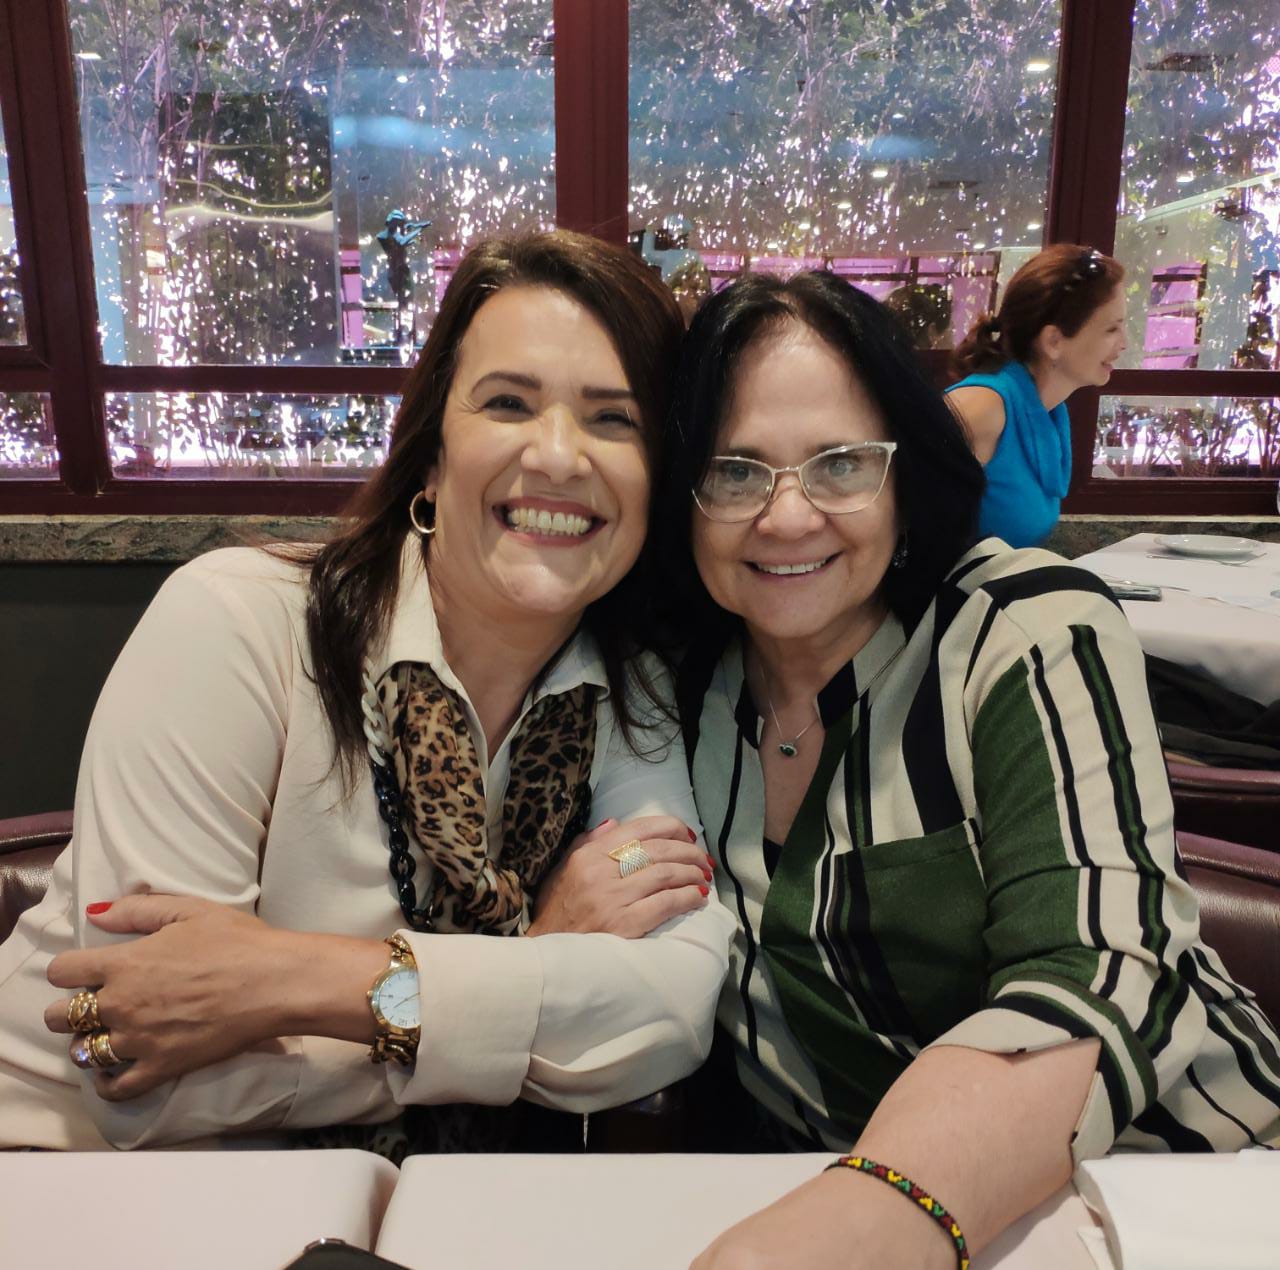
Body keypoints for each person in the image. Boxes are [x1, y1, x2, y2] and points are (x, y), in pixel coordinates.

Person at [0, 230, 734, 1151]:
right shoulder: (238, 624)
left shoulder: (631, 697)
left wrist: (296, 981)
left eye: (613, 419)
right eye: (508, 403)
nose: (557, 455)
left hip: (381, 1200)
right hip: (54, 1170)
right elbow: (151, 1077)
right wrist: (536, 968)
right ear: (431, 456)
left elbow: (673, 1011)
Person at [651, 270, 1280, 1268]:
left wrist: (861, 1220)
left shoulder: (1022, 629)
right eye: (735, 472)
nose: (786, 515)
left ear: (905, 476)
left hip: (1177, 1188)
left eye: (840, 464)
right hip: (840, 1209)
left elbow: (1096, 970)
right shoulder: (672, 693)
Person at [946, 244, 1127, 547]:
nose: (1124, 343)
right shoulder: (980, 408)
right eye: (1112, 329)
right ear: (1053, 340)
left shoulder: (1048, 410)